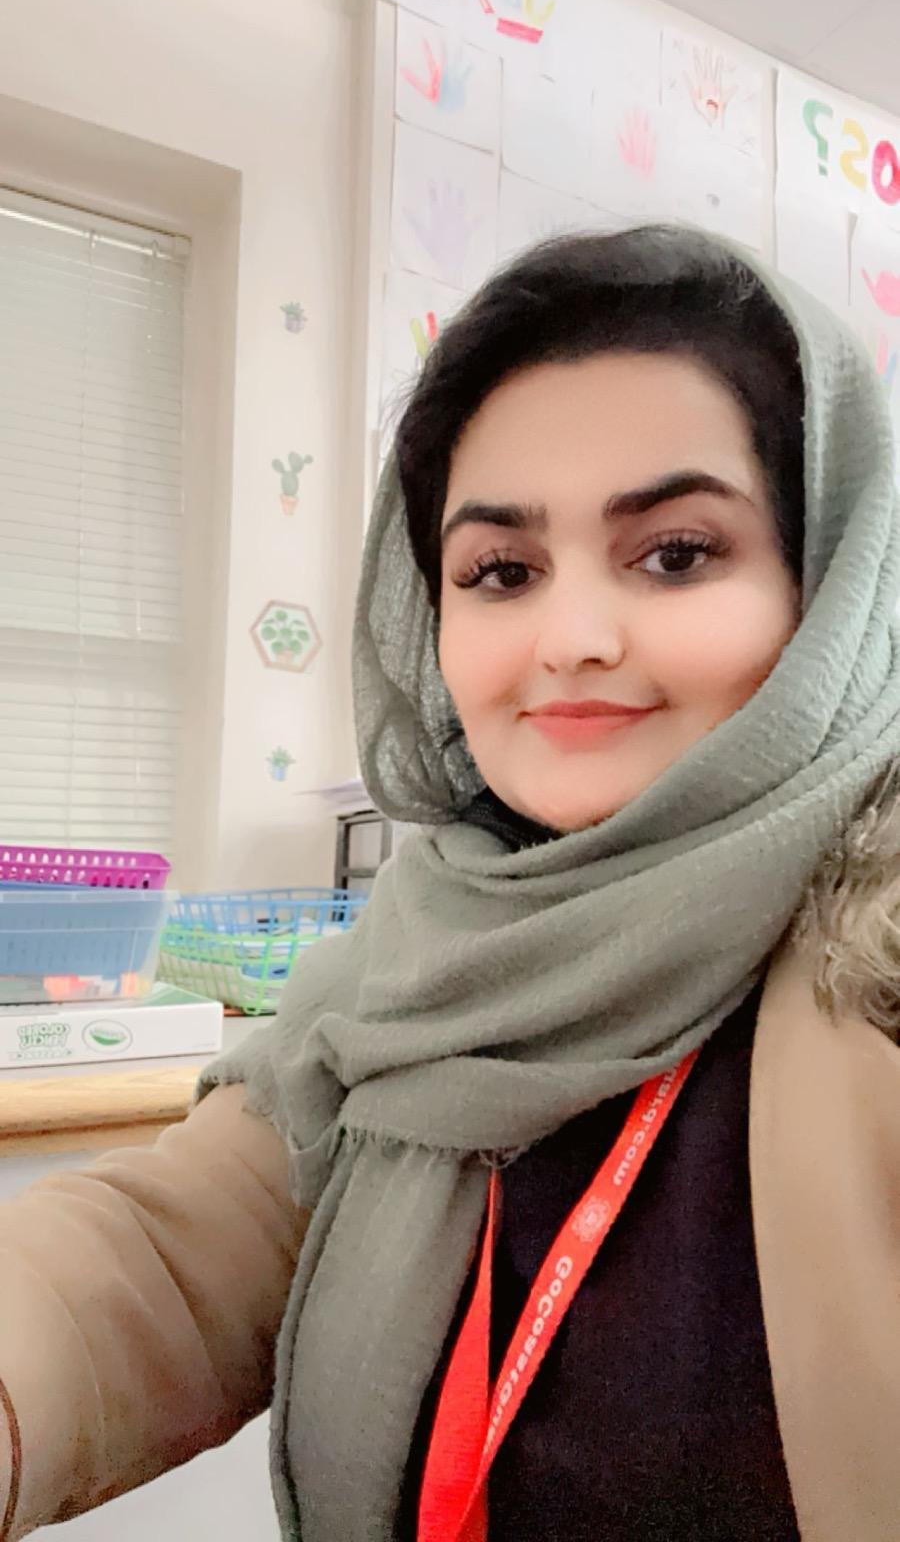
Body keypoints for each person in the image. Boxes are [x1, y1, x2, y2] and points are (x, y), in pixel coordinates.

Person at [2, 224, 900, 1542]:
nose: (571, 640)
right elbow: (169, 1252)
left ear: (829, 588)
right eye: (502, 572)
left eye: (675, 552)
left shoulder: (876, 972)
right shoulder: (421, 952)